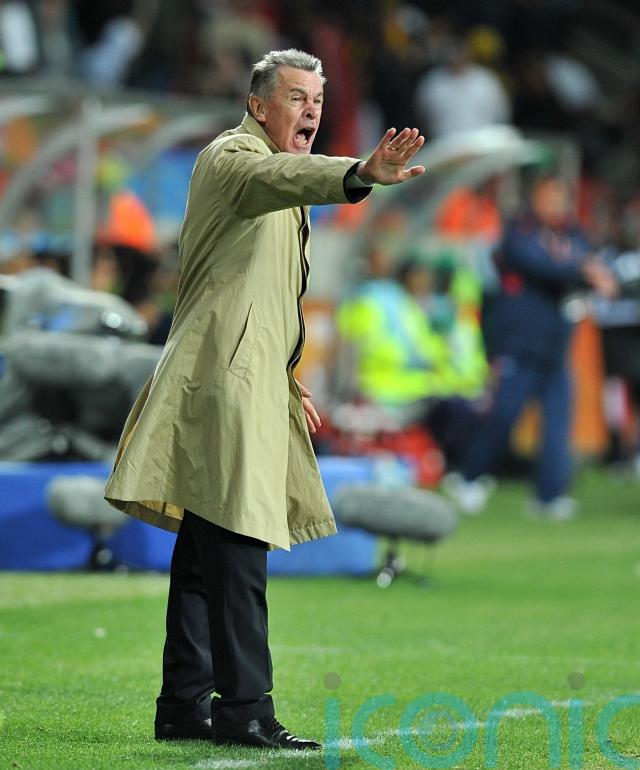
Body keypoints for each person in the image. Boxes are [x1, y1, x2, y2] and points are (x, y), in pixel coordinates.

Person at [103, 48, 425, 752]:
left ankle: (183, 704)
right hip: (223, 383)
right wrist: (358, 174)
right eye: (296, 97)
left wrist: (284, 375)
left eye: (319, 99)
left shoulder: (275, 175)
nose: (312, 110)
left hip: (241, 377)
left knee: (205, 552)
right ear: (257, 104)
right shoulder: (232, 157)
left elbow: (255, 297)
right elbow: (277, 178)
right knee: (240, 544)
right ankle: (246, 710)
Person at [444, 176, 617, 518]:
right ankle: (468, 477)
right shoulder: (519, 230)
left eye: (560, 198)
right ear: (535, 199)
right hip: (520, 342)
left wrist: (588, 271)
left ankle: (549, 496)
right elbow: (542, 265)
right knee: (505, 413)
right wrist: (585, 271)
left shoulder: (572, 234)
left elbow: (586, 261)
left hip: (556, 344)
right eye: (548, 197)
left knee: (558, 420)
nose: (554, 205)